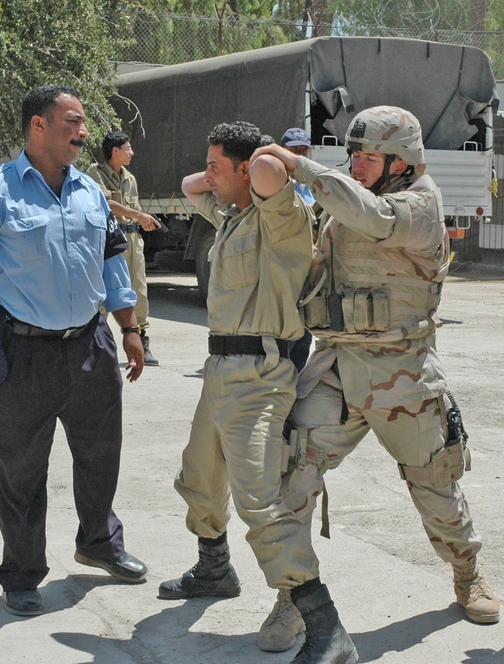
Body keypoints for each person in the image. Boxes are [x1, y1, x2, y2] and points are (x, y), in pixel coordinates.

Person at [251, 106, 501, 649]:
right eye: (355, 155)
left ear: (401, 160)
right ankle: (294, 597)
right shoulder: (347, 201)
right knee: (293, 474)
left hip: (402, 370)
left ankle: (467, 571)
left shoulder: (420, 204)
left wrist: (303, 169)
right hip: (338, 364)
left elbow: (376, 219)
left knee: (434, 484)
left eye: (369, 157)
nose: (358, 165)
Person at [0, 85, 149, 618]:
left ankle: (98, 542)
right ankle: (22, 573)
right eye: (73, 120)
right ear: (38, 126)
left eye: (84, 122)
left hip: (90, 346)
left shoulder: (91, 192)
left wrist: (130, 326)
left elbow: (112, 260)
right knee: (19, 469)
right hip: (19, 353)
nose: (84, 132)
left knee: (100, 455)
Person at [159, 121, 357, 664]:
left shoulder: (283, 219)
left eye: (221, 166)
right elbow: (188, 185)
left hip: (260, 374)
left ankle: (323, 623)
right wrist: (223, 171)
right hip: (220, 368)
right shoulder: (233, 216)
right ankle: (214, 568)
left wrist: (264, 158)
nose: (210, 177)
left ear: (249, 170)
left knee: (259, 499)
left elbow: (269, 171)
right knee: (200, 476)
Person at [86, 132, 162, 366]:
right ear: (114, 151)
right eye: (127, 148)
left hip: (131, 238)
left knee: (138, 290)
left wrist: (142, 221)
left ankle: (142, 341)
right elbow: (106, 202)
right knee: (105, 292)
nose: (132, 153)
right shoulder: (94, 173)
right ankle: (94, 344)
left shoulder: (129, 177)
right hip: (109, 240)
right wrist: (139, 215)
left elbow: (133, 206)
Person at [278, 128, 316, 372]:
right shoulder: (276, 182)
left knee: (304, 330)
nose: (299, 157)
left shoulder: (309, 184)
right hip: (283, 265)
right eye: (294, 151)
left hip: (306, 266)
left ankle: (295, 375)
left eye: (303, 151)